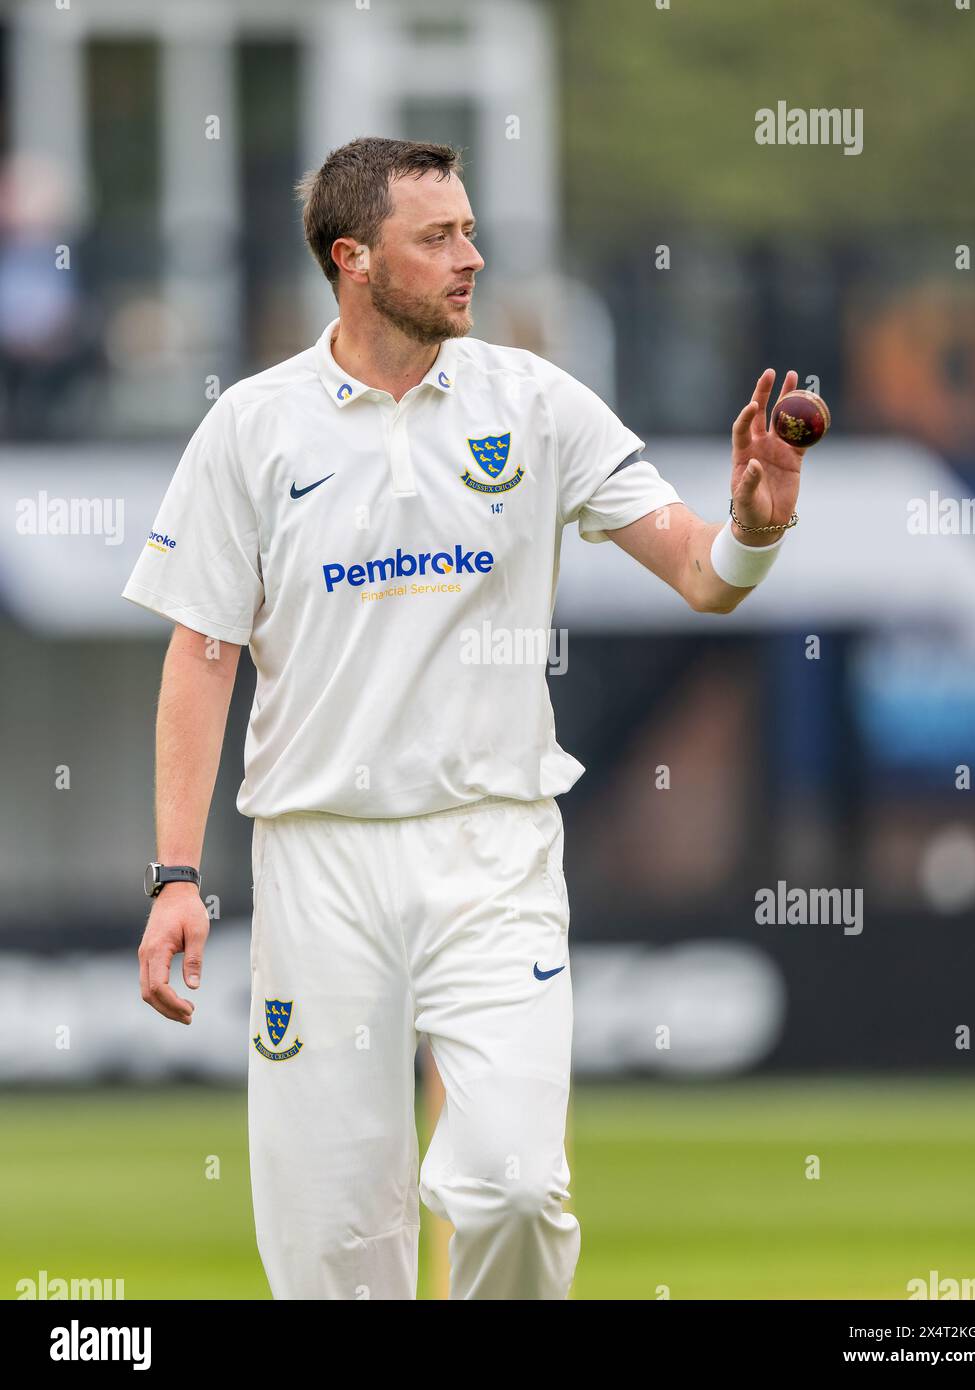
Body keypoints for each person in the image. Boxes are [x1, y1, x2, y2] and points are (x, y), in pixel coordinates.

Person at [124, 136, 805, 1300]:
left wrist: (753, 522)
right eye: (436, 237)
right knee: (333, 1252)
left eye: (470, 230)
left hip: (492, 849)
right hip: (316, 859)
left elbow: (700, 571)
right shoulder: (251, 425)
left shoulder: (532, 401)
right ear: (352, 258)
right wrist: (175, 874)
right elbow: (201, 654)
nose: (471, 257)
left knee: (512, 1188)